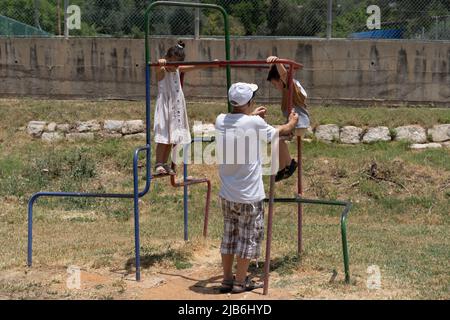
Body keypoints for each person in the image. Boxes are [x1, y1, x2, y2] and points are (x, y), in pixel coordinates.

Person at [215, 82, 299, 293]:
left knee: (229, 236)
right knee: (246, 238)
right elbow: (284, 131)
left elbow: (239, 121)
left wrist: (251, 115)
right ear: (250, 101)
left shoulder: (220, 120)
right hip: (249, 196)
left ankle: (227, 279)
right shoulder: (254, 123)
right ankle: (241, 282)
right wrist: (292, 121)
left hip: (227, 193)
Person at [153, 40, 216, 175]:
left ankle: (165, 164)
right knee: (164, 137)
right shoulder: (163, 70)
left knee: (172, 138)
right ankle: (158, 163)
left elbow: (193, 66)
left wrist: (210, 63)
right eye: (172, 62)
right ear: (167, 58)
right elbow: (158, 72)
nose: (174, 66)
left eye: (177, 63)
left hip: (177, 106)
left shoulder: (177, 69)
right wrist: (160, 63)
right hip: (166, 107)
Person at [266, 55, 311, 182]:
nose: (276, 88)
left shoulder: (291, 87)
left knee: (276, 136)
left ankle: (287, 165)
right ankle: (285, 166)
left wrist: (277, 61)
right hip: (297, 123)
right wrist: (272, 66)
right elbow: (283, 76)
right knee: (277, 137)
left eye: (275, 84)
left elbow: (285, 75)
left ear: (281, 80)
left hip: (299, 123)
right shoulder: (290, 89)